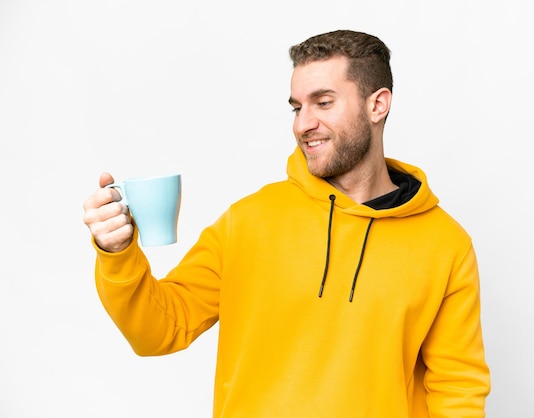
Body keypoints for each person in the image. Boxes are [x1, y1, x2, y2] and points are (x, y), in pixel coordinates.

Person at [83, 29, 490, 417]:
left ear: (377, 105)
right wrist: (118, 254)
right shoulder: (250, 220)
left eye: (323, 102)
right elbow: (158, 330)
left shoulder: (444, 244)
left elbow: (458, 389)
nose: (302, 124)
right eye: (297, 107)